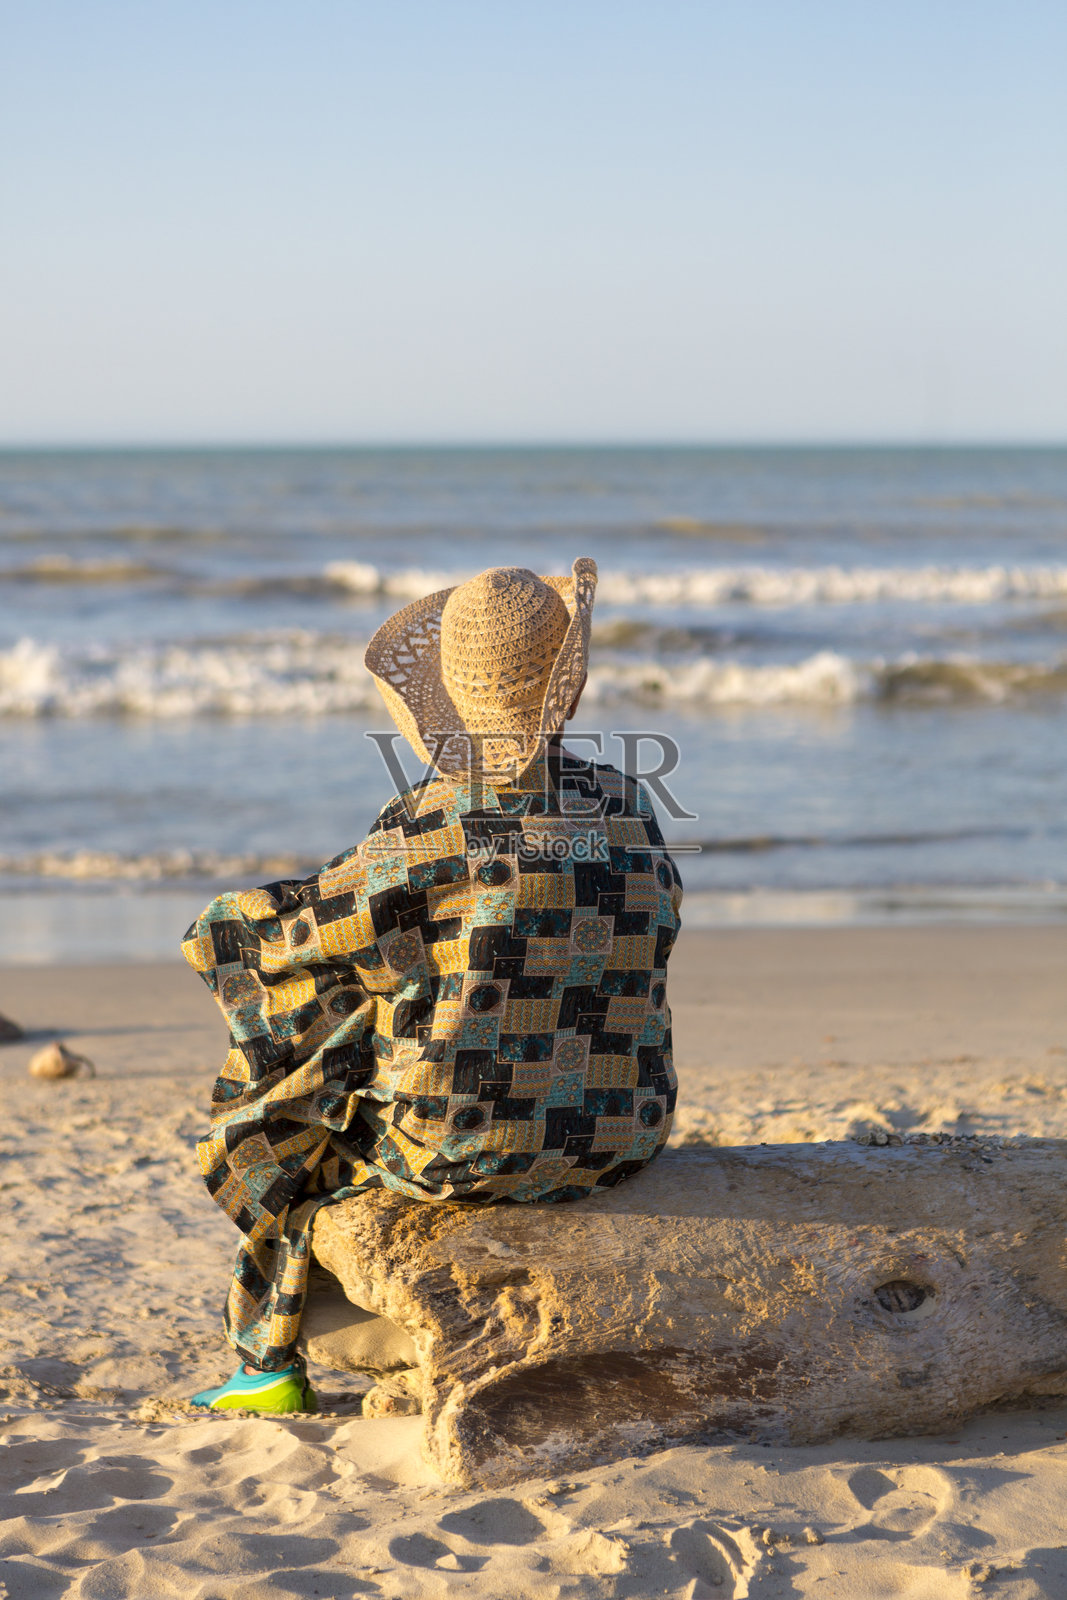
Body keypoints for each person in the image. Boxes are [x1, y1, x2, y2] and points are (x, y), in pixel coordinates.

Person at [184, 559, 682, 1412]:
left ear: (450, 692)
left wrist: (224, 923)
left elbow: (302, 931)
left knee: (312, 1038)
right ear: (570, 678)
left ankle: (266, 1363)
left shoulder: (431, 820)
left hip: (459, 1149)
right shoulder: (627, 798)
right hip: (620, 1137)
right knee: (425, 974)